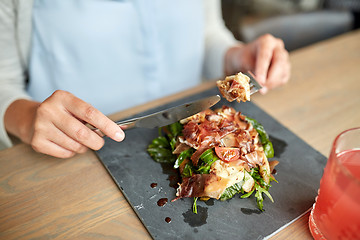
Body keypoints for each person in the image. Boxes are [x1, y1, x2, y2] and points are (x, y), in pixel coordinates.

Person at [0, 0, 290, 158]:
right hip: (76, 153)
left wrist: (235, 58)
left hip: (190, 124)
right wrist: (28, 120)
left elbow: (206, 33)